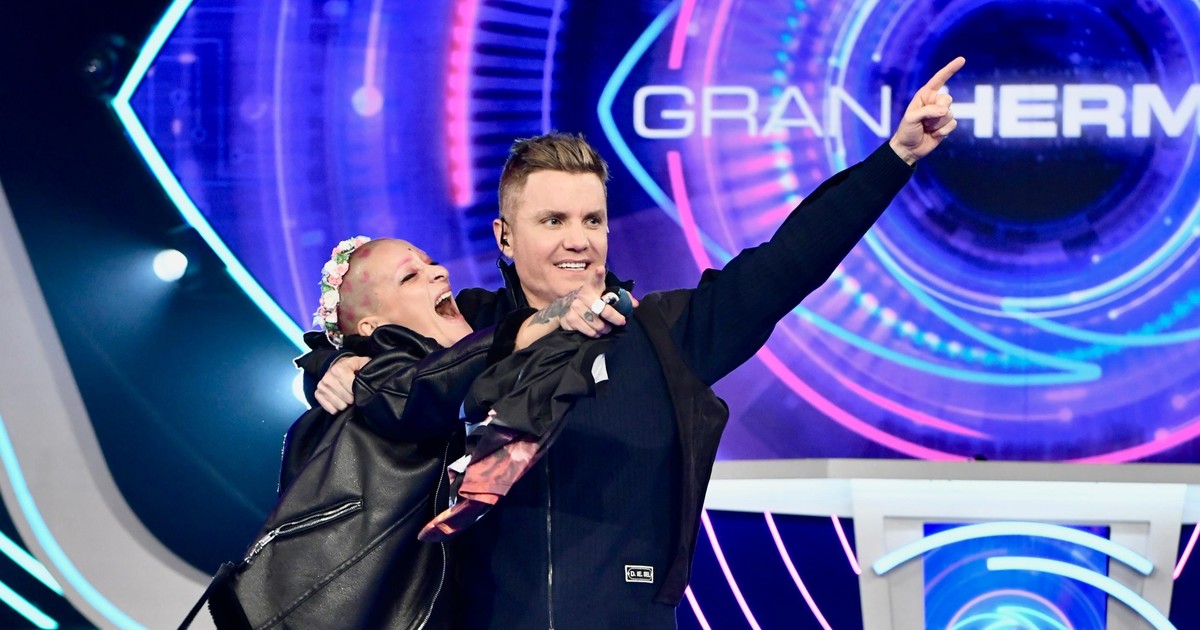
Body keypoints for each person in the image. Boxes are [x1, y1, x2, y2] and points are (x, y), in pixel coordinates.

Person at [307, 57, 965, 628]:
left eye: (592, 219)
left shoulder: (666, 335)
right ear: (506, 237)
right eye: (553, 220)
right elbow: (381, 348)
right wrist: (334, 366)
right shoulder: (468, 331)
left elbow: (787, 263)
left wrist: (896, 158)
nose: (578, 240)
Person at [210, 236, 597, 628]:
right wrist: (527, 330)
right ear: (373, 327)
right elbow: (417, 388)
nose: (440, 272)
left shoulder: (463, 330)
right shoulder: (372, 384)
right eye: (409, 277)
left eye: (431, 261)